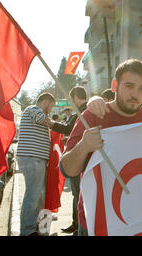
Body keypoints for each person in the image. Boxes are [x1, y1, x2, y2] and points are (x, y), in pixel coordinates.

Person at [59, 59, 142, 236]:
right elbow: (67, 170)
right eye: (129, 86)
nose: (135, 94)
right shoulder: (92, 116)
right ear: (114, 85)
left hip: (137, 221)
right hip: (95, 221)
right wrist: (84, 146)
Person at [16, 92, 56, 236]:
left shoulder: (34, 111)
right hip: (33, 158)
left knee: (39, 195)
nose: (50, 110)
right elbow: (43, 119)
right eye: (51, 106)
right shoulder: (33, 109)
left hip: (35, 159)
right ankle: (28, 231)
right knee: (33, 196)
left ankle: (38, 228)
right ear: (45, 102)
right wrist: (58, 125)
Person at [51, 86, 88, 235]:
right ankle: (76, 225)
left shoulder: (84, 112)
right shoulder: (86, 111)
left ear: (75, 98)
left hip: (78, 159)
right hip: (80, 158)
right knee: (78, 194)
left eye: (70, 99)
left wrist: (52, 124)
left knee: (78, 195)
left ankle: (78, 226)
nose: (70, 103)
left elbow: (69, 129)